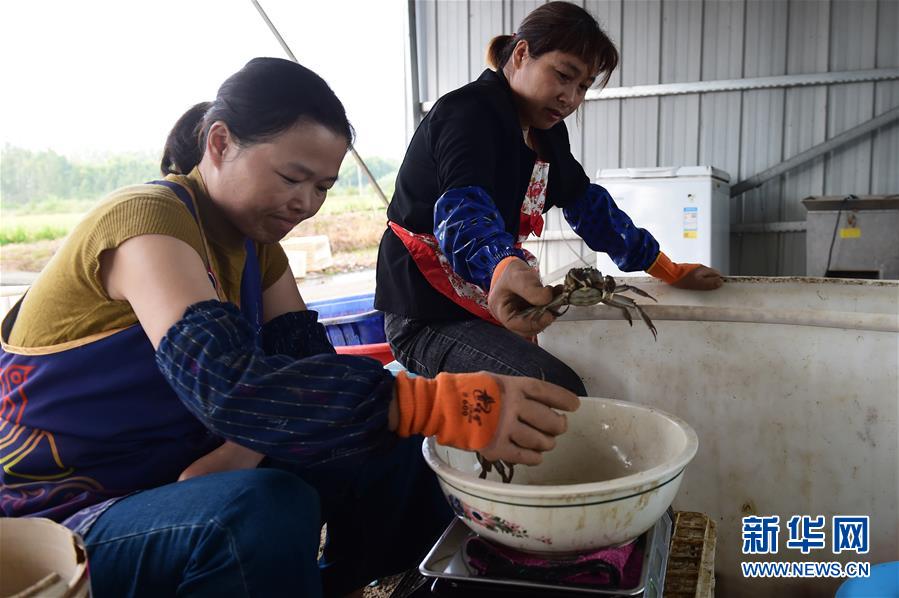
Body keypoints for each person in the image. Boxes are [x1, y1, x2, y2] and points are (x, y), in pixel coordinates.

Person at [0, 57, 580, 598]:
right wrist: (438, 403)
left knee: (398, 441)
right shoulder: (147, 221)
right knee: (261, 511)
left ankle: (352, 582)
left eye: (322, 187)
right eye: (291, 177)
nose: (305, 203)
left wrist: (239, 450)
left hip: (183, 476)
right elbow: (228, 384)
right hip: (70, 514)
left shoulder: (258, 247)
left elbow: (310, 370)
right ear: (219, 143)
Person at [375, 1, 722, 395]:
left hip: (483, 300)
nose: (570, 98)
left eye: (583, 86)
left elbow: (591, 209)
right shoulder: (468, 112)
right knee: (556, 388)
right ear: (522, 53)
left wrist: (666, 268)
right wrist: (502, 266)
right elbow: (463, 213)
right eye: (563, 75)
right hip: (425, 313)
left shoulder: (547, 135)